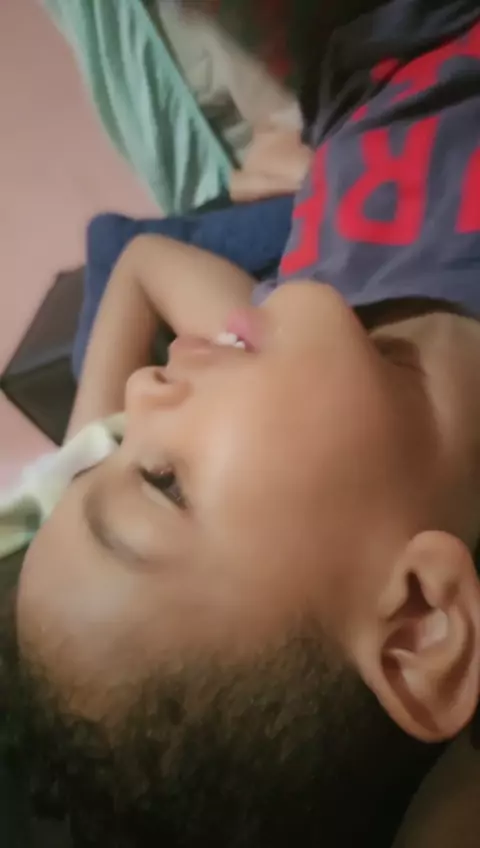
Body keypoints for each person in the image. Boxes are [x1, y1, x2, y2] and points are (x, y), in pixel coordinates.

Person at [3, 0, 480, 845]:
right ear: (416, 623)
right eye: (162, 482)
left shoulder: (303, 323)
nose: (142, 390)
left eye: (112, 446)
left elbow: (143, 261)